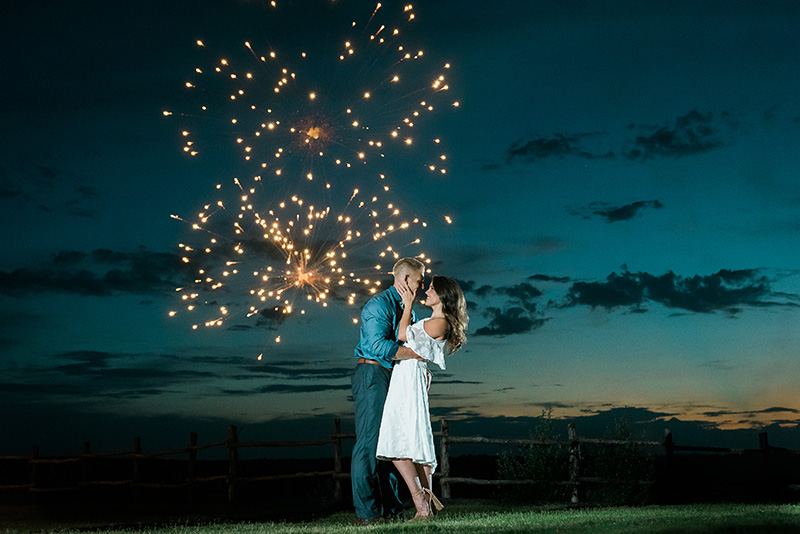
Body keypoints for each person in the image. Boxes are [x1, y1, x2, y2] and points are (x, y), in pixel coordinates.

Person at [376, 275, 469, 521]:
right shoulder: (434, 320)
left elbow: (403, 334)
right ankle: (424, 504)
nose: (426, 291)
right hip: (406, 377)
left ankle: (423, 504)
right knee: (408, 440)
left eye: (431, 289)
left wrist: (407, 304)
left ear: (443, 295)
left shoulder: (440, 322)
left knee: (400, 440)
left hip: (408, 380)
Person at [351, 257, 426, 526]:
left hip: (392, 376)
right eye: (419, 280)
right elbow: (377, 347)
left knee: (391, 444)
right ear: (405, 280)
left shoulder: (408, 309)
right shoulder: (378, 305)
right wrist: (417, 355)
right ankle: (367, 513)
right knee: (369, 445)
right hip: (372, 374)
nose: (422, 285)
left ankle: (392, 510)